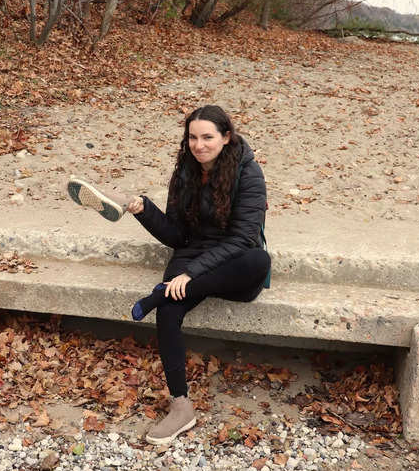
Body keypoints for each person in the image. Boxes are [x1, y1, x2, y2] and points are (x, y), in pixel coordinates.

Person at [67, 105, 270, 445]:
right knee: (169, 308)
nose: (199, 144)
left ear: (226, 137)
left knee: (258, 260)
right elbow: (178, 236)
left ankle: (157, 294)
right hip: (194, 254)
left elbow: (243, 238)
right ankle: (180, 405)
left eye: (207, 137)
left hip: (233, 262)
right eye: (193, 137)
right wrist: (143, 209)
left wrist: (190, 274)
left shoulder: (248, 174)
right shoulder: (186, 171)